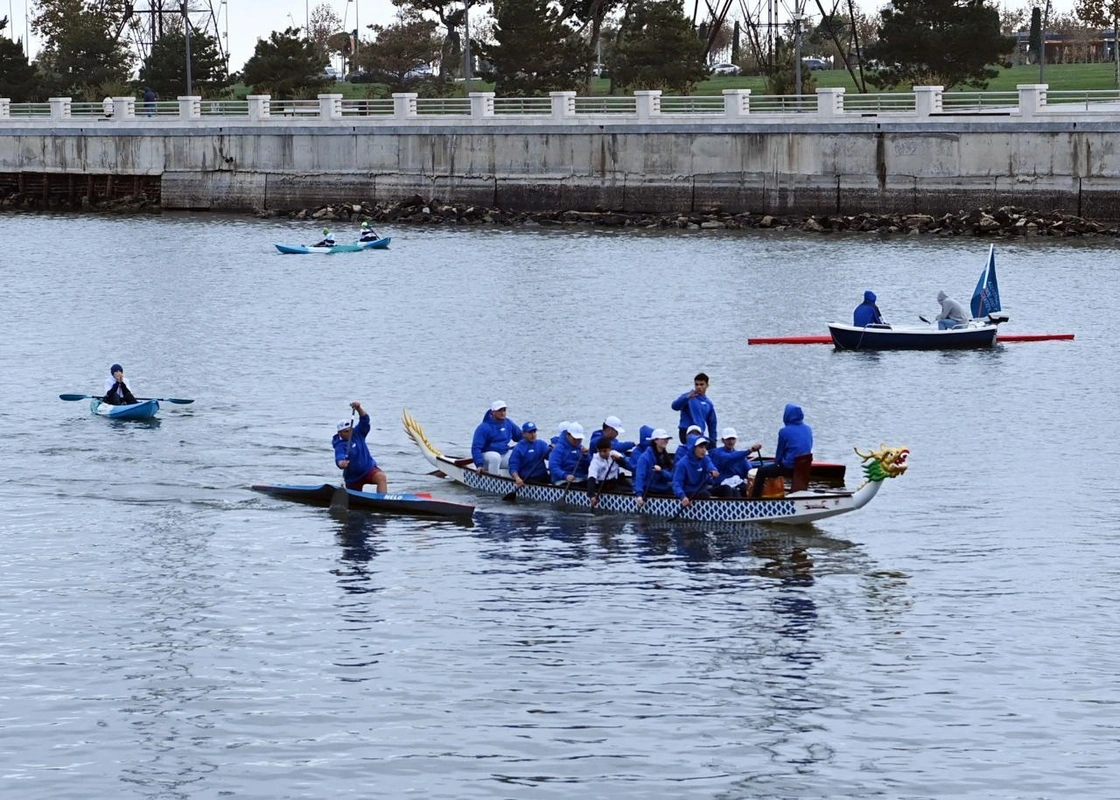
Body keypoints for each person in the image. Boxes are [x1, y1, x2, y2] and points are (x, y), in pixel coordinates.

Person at [749, 404, 813, 498]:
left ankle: (754, 499)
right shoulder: (808, 429)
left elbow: (779, 454)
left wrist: (776, 464)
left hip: (790, 467)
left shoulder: (784, 431)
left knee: (762, 471)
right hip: (804, 467)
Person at [333, 401, 387, 493]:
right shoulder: (340, 445)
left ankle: (383, 501)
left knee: (381, 477)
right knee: (353, 497)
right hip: (353, 477)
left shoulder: (358, 433)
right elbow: (339, 457)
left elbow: (365, 420)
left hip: (368, 469)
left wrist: (358, 408)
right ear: (340, 433)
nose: (349, 432)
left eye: (350, 430)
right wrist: (342, 463)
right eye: (346, 431)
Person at [471, 400, 522, 474]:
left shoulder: (508, 423)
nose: (503, 413)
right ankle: (493, 480)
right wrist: (479, 464)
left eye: (504, 410)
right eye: (500, 410)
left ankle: (518, 479)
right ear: (493, 412)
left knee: (518, 455)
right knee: (495, 457)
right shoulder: (484, 427)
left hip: (503, 454)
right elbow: (476, 448)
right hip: (487, 458)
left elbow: (520, 437)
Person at [710, 427, 763, 497]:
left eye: (733, 439)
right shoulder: (717, 453)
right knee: (733, 491)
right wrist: (750, 450)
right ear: (723, 440)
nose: (731, 442)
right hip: (721, 486)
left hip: (736, 483)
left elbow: (749, 471)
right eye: (728, 439)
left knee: (749, 489)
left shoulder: (741, 456)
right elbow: (730, 458)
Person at [672, 434, 721, 508]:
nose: (704, 450)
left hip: (702, 490)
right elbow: (677, 484)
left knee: (726, 488)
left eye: (705, 447)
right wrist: (683, 497)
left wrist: (713, 471)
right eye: (701, 447)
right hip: (688, 493)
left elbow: (710, 466)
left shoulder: (705, 459)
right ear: (693, 448)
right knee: (705, 494)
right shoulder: (682, 464)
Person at [633, 428, 675, 507]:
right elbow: (639, 477)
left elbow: (671, 476)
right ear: (655, 441)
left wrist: (661, 471)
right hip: (650, 489)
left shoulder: (665, 457)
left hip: (662, 487)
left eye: (667, 439)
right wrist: (639, 495)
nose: (666, 441)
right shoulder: (644, 458)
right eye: (663, 439)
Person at [671, 372, 717, 443]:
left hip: (699, 432)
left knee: (709, 444)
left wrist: (713, 441)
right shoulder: (688, 396)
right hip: (686, 431)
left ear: (707, 385)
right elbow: (674, 406)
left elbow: (712, 424)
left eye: (701, 384)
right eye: (696, 384)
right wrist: (686, 398)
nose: (699, 387)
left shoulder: (708, 403)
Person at [586, 436, 630, 506]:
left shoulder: (614, 454)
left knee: (629, 487)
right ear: (597, 450)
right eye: (600, 451)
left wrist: (619, 459)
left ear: (610, 449)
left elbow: (625, 463)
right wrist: (592, 496)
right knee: (623, 490)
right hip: (602, 484)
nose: (602, 454)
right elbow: (591, 478)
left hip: (614, 481)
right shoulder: (595, 461)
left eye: (605, 451)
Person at [508, 421, 550, 486]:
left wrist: (554, 450)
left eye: (534, 432)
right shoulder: (519, 448)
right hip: (528, 478)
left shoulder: (541, 444)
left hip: (543, 476)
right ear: (523, 434)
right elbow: (513, 465)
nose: (533, 435)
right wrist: (517, 478)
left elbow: (550, 457)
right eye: (530, 432)